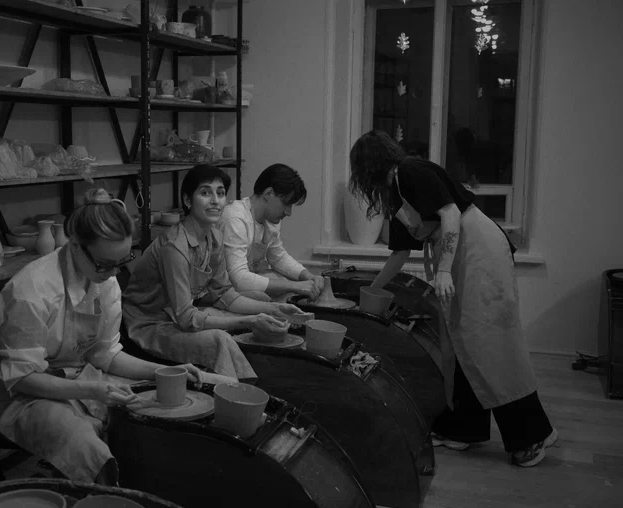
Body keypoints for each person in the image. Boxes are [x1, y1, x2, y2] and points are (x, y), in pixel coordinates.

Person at [348, 130, 557, 467]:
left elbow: (450, 213)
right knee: (459, 339)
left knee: (488, 341)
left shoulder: (411, 171)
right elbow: (400, 253)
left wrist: (443, 269)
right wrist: (370, 291)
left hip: (477, 249)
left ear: (367, 167)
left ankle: (532, 434)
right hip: (457, 252)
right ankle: (464, 427)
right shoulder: (395, 194)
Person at [0, 189, 203, 485]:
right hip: (19, 395)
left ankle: (144, 486)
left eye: (121, 262)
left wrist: (163, 371)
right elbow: (21, 378)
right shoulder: (32, 291)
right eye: (104, 264)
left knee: (142, 413)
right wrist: (90, 390)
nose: (113, 273)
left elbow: (104, 353)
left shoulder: (105, 279)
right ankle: (102, 500)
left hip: (77, 375)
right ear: (75, 245)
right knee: (83, 442)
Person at [122, 164, 303, 380]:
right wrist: (249, 320)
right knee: (220, 339)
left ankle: (251, 383)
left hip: (175, 314)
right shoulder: (174, 247)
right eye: (205, 193)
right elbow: (187, 318)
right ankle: (237, 391)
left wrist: (274, 309)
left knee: (258, 305)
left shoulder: (214, 238)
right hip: (149, 323)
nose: (215, 200)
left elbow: (224, 294)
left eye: (220, 193)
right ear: (188, 200)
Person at [218, 163, 324, 302]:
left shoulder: (270, 222)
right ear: (268, 194)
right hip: (222, 290)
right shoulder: (236, 219)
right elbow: (239, 279)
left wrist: (308, 276)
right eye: (286, 204)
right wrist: (295, 286)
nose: (289, 212)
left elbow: (278, 257)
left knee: (282, 281)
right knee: (280, 292)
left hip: (240, 285)